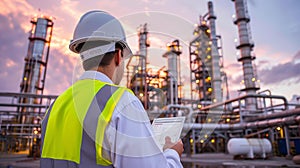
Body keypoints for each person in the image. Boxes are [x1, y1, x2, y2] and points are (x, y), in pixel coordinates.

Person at [40, 10, 184, 168]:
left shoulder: (55, 106)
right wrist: (172, 154)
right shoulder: (121, 103)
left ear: (83, 58)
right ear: (118, 55)